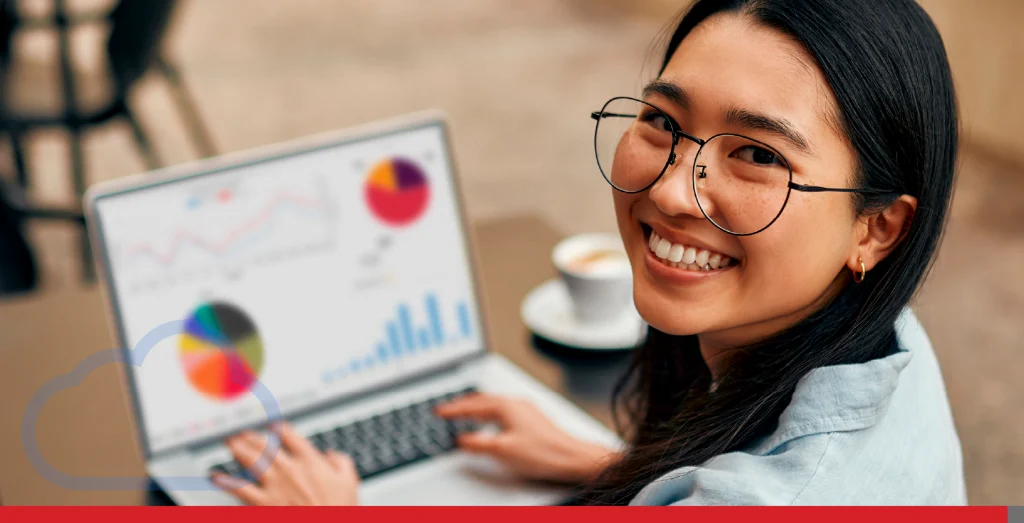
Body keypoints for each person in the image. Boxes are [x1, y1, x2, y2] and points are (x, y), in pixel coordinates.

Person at [213, 0, 964, 505]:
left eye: (758, 156)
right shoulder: (886, 347)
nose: (673, 191)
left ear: (877, 228)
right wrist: (615, 469)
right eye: (662, 120)